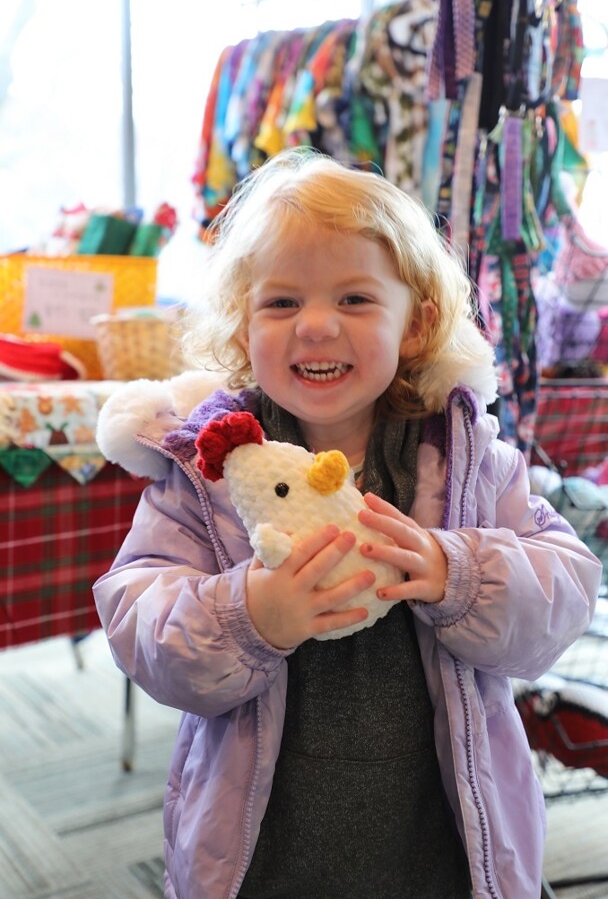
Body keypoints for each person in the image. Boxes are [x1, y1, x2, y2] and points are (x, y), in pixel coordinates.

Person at [93, 148, 602, 899]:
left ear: (418, 322)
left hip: (443, 842)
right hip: (261, 849)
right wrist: (246, 613)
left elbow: (564, 591)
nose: (318, 326)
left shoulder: (466, 459)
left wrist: (459, 571)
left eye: (356, 300)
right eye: (282, 303)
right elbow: (137, 617)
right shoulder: (207, 465)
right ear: (242, 324)